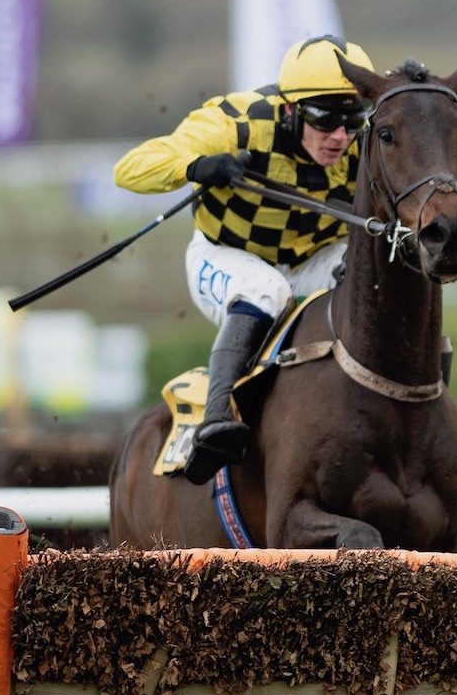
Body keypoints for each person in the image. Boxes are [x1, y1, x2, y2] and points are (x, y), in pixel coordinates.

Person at [113, 34, 374, 483]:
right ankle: (218, 417)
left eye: (352, 121)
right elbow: (129, 169)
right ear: (290, 109)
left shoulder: (366, 142)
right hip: (228, 256)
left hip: (314, 261)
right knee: (266, 289)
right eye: (326, 120)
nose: (340, 137)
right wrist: (194, 168)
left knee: (373, 267)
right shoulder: (235, 122)